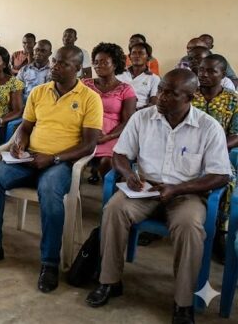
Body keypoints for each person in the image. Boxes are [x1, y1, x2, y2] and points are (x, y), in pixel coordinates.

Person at [85, 69, 231, 324]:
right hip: (144, 188)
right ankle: (109, 281)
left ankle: (183, 302)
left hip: (186, 193)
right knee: (114, 209)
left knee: (189, 226)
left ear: (191, 97)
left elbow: (220, 175)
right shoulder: (143, 118)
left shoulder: (209, 127)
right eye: (161, 89)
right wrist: (128, 173)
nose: (161, 97)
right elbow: (120, 154)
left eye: (171, 94)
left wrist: (177, 189)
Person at [0, 46, 102, 293]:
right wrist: (19, 144)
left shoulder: (89, 98)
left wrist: (55, 158)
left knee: (50, 192)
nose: (55, 67)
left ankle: (49, 263)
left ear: (78, 69)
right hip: (29, 159)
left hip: (61, 163)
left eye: (62, 64)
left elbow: (90, 144)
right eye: (54, 62)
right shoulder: (39, 92)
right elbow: (25, 127)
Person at [191, 54, 238, 264]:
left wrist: (213, 148)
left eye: (212, 71)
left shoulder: (233, 100)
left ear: (223, 74)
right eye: (202, 70)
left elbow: (236, 134)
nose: (205, 75)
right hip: (183, 152)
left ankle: (219, 232)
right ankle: (161, 214)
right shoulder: (189, 94)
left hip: (217, 155)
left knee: (228, 181)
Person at [83, 43, 137, 184]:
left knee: (107, 161)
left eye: (104, 62)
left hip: (112, 134)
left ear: (115, 65)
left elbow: (128, 121)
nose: (98, 66)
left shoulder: (126, 89)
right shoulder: (85, 85)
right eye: (96, 62)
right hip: (86, 131)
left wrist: (107, 136)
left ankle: (109, 194)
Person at [117, 41, 160, 109]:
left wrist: (140, 112)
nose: (137, 56)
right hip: (118, 109)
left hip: (140, 111)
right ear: (129, 57)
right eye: (134, 53)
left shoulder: (154, 78)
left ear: (148, 58)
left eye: (141, 53)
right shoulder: (119, 74)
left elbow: (153, 102)